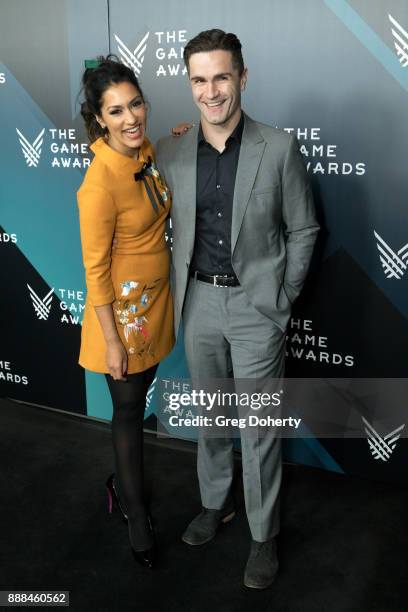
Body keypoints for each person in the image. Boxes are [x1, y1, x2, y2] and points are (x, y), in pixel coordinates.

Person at [156, 29, 319, 589]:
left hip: (257, 308)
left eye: (221, 76)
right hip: (197, 300)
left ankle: (262, 535)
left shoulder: (278, 148)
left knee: (259, 430)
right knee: (211, 418)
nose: (211, 91)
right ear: (190, 84)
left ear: (242, 78)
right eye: (199, 79)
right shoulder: (171, 149)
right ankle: (213, 504)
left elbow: (304, 228)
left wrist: (283, 295)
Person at [77, 56, 174, 569]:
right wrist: (112, 341)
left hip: (157, 305)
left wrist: (177, 136)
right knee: (129, 413)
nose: (131, 118)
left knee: (136, 408)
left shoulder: (147, 149)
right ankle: (134, 511)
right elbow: (95, 272)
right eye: (116, 111)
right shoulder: (98, 184)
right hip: (125, 320)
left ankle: (127, 489)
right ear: (99, 119)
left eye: (135, 103)